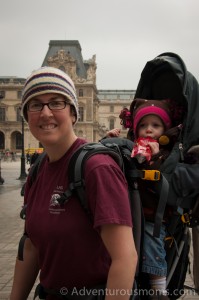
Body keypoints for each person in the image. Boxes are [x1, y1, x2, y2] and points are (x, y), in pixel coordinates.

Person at [10, 66, 137, 300]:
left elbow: (125, 258)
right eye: (36, 104)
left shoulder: (97, 168)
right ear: (27, 116)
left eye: (57, 102)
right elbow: (31, 246)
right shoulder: (38, 170)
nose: (46, 113)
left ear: (73, 113)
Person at [107, 98, 182, 300]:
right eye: (143, 125)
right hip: (129, 209)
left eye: (155, 125)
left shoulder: (167, 154)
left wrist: (156, 159)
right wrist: (110, 141)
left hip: (152, 213)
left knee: (152, 239)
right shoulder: (132, 146)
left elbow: (163, 184)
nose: (148, 130)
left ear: (165, 130)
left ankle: (159, 287)